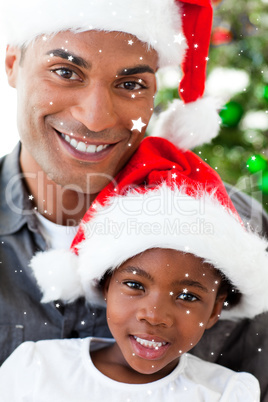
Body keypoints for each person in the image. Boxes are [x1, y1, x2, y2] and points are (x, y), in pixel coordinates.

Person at [0, 0, 268, 398]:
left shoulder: (239, 230)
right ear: (12, 65)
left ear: (153, 91)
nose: (96, 118)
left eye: (130, 84)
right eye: (65, 72)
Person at [0, 136, 264, 401]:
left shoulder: (225, 392)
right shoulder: (36, 368)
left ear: (215, 309)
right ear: (105, 285)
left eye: (187, 296)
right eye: (135, 285)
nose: (154, 315)